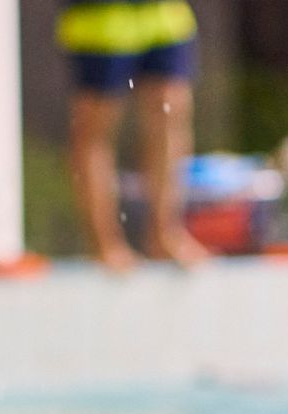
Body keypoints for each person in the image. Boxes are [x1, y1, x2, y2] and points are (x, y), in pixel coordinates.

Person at [57, 0, 211, 272]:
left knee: (170, 111)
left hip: (163, 13)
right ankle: (106, 244)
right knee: (96, 125)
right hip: (100, 16)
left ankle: (165, 234)